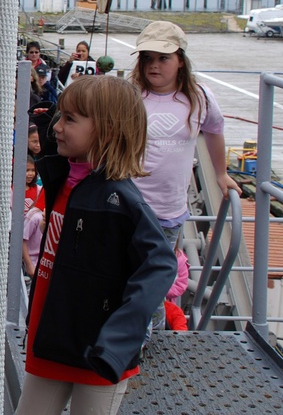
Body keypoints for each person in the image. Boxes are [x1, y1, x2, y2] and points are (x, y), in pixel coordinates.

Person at [16, 75, 175, 415]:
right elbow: (57, 156)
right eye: (59, 117)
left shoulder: (121, 201)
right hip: (53, 339)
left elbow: (160, 265)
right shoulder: (66, 180)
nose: (57, 127)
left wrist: (119, 341)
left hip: (96, 353)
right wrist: (47, 120)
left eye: (70, 119)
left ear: (108, 130)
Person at [128, 20, 237, 333]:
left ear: (180, 61)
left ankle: (149, 336)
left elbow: (214, 130)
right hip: (129, 204)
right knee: (128, 273)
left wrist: (221, 173)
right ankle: (131, 337)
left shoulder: (199, 98)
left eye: (163, 58)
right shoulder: (130, 95)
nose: (154, 65)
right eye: (148, 58)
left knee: (155, 278)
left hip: (168, 209)